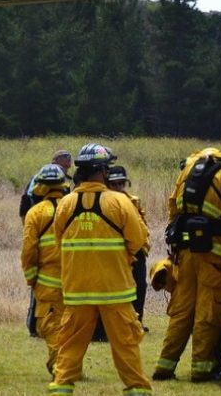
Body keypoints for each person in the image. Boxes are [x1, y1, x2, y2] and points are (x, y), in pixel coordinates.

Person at [153, 135, 221, 382]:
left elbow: (173, 204)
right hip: (213, 256)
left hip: (185, 250)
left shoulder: (192, 165)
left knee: (182, 311)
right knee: (209, 312)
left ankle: (164, 367)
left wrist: (175, 238)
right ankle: (201, 369)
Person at [48, 143, 152, 395]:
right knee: (126, 344)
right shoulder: (118, 202)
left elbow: (59, 241)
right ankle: (137, 389)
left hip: (77, 290)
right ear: (103, 171)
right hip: (114, 290)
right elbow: (138, 241)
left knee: (70, 345)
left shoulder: (65, 204)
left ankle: (61, 388)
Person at [21, 164, 68, 376]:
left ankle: (61, 367)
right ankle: (68, 365)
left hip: (49, 283)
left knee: (49, 325)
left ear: (40, 187)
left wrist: (31, 278)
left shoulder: (35, 213)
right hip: (76, 280)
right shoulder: (73, 207)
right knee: (71, 325)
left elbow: (29, 251)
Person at [107, 165, 151, 330]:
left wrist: (144, 246)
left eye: (121, 183)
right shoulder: (106, 203)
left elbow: (142, 225)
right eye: (114, 184)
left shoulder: (134, 201)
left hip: (137, 251)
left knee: (139, 286)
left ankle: (137, 322)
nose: (118, 187)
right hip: (115, 253)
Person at [20, 149, 73, 222]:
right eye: (64, 167)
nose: (65, 170)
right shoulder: (39, 178)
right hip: (39, 217)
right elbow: (27, 200)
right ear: (55, 162)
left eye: (67, 168)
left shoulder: (64, 180)